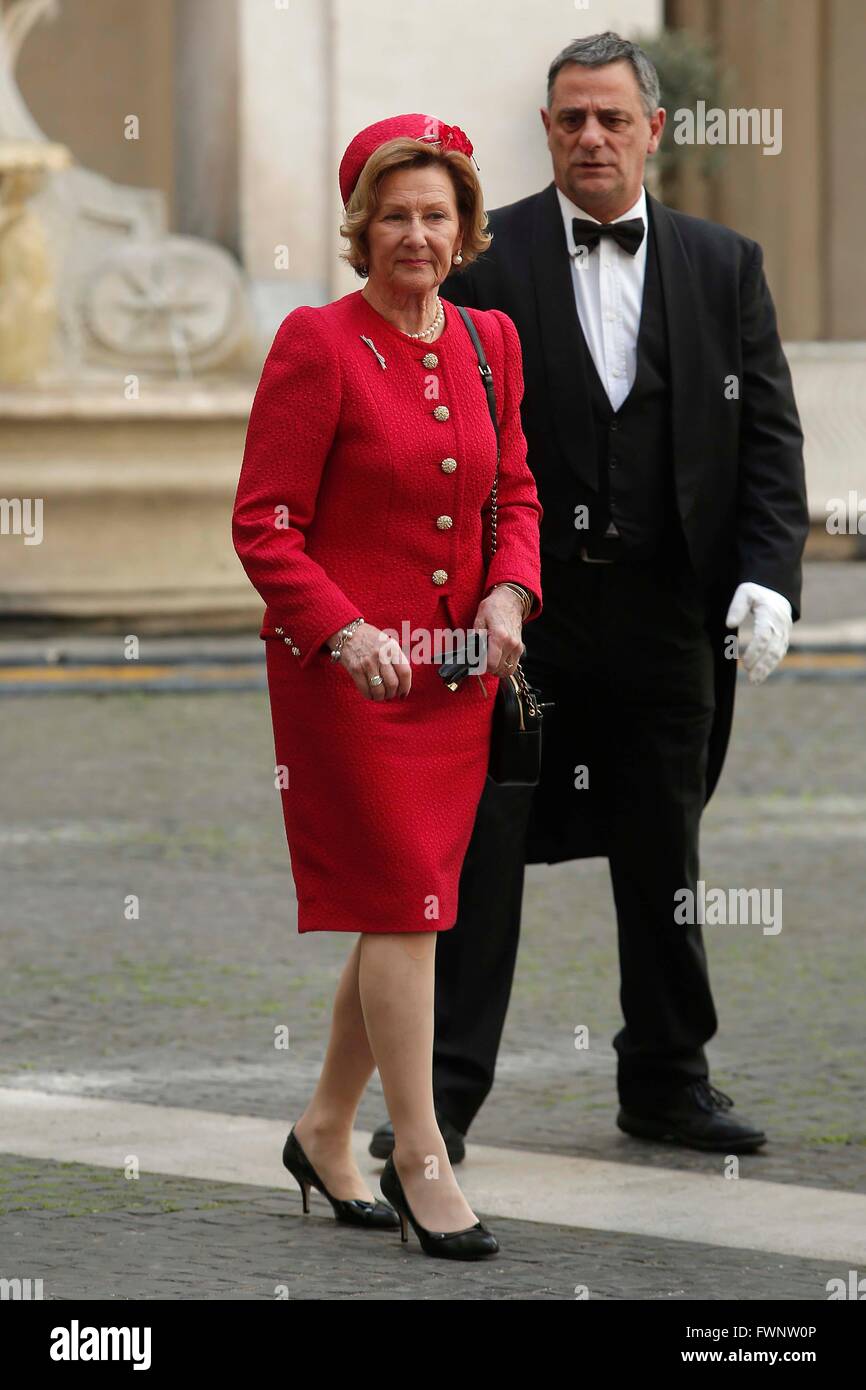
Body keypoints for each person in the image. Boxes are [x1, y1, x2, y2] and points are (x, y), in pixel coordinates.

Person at [371, 33, 809, 1164]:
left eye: (611, 118)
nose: (590, 137)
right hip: (519, 616)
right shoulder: (485, 254)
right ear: (548, 131)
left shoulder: (724, 263)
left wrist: (767, 574)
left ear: (654, 130)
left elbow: (765, 440)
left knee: (664, 852)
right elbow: (431, 439)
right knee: (481, 850)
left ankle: (666, 1080)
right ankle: (443, 1100)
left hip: (670, 612)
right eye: (570, 119)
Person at [232, 113, 542, 1259]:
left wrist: (509, 597)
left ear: (465, 228)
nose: (415, 234)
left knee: (402, 909)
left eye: (435, 214)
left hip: (456, 674)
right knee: (409, 905)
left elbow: (515, 493)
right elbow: (263, 522)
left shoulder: (489, 340)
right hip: (348, 682)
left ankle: (322, 1125)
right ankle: (419, 1157)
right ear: (360, 229)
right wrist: (342, 628)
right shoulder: (315, 343)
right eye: (394, 215)